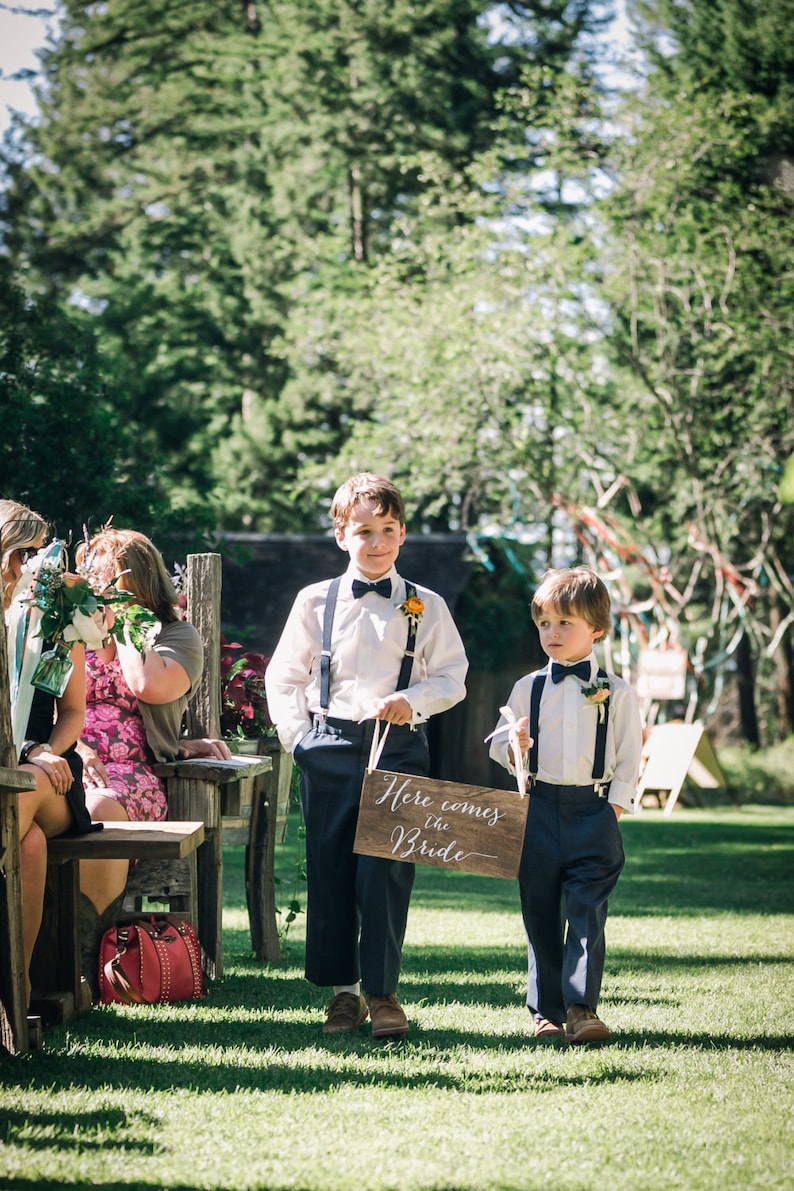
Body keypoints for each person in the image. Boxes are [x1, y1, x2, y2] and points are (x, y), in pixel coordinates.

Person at [265, 473, 468, 1039]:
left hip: (398, 746)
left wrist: (413, 699)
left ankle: (383, 994)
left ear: (402, 534)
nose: (375, 542)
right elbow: (283, 676)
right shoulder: (315, 601)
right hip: (328, 746)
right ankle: (343, 995)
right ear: (341, 536)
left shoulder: (426, 606)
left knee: (385, 871)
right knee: (330, 870)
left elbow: (454, 677)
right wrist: (298, 739)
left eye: (386, 530)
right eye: (363, 531)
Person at [488, 566, 642, 1045]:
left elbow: (628, 759)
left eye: (564, 624)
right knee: (540, 912)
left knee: (586, 911)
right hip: (538, 808)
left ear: (596, 629)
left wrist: (610, 813)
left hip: (593, 813)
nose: (551, 634)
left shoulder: (616, 692)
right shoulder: (527, 688)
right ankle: (546, 1012)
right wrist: (515, 745)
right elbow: (498, 746)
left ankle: (581, 1008)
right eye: (544, 624)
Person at [0, 499, 124, 1009]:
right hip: (12, 771)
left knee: (23, 793)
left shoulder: (59, 620)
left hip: (48, 773)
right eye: (23, 552)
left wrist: (44, 750)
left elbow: (73, 711)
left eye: (40, 552)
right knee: (24, 843)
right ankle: (19, 986)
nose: (34, 565)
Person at [74, 528, 231, 834]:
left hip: (131, 775)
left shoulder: (177, 637)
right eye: (88, 578)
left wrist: (124, 618)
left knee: (95, 809)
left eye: (101, 580)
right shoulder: (74, 634)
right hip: (71, 763)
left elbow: (147, 685)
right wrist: (78, 751)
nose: (91, 589)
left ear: (134, 583)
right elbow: (46, 706)